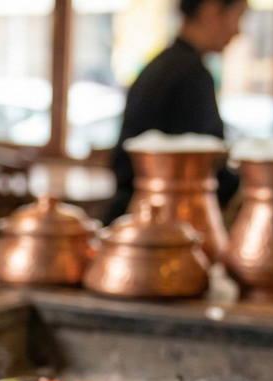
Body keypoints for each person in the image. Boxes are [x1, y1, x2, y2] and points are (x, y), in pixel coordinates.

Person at [105, 0, 247, 224]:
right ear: (211, 10)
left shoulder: (161, 64)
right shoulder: (192, 75)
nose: (238, 31)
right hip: (160, 220)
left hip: (133, 213)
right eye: (238, 18)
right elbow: (207, 166)